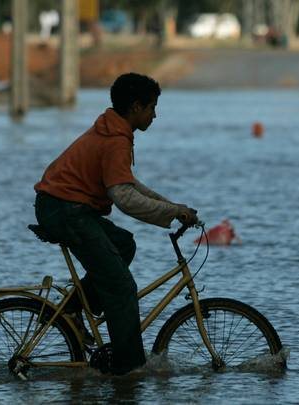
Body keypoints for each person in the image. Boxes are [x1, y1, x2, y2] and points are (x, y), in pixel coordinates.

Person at [33, 72, 199, 375]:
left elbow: (128, 184)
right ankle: (129, 369)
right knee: (122, 288)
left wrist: (174, 208)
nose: (155, 115)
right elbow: (124, 198)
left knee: (124, 244)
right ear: (136, 107)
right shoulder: (115, 140)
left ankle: (70, 310)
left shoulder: (114, 131)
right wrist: (171, 212)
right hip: (65, 211)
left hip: (66, 208)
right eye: (151, 108)